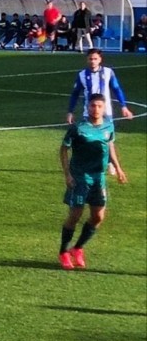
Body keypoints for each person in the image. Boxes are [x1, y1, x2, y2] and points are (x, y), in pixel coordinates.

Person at [58, 94, 128, 269]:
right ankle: (63, 252)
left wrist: (118, 167)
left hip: (98, 177)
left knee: (98, 216)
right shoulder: (78, 128)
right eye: (92, 106)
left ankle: (78, 248)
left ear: (104, 108)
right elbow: (64, 150)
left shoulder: (108, 125)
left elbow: (110, 145)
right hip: (80, 177)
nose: (95, 109)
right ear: (87, 108)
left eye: (99, 106)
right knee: (75, 215)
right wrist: (67, 175)